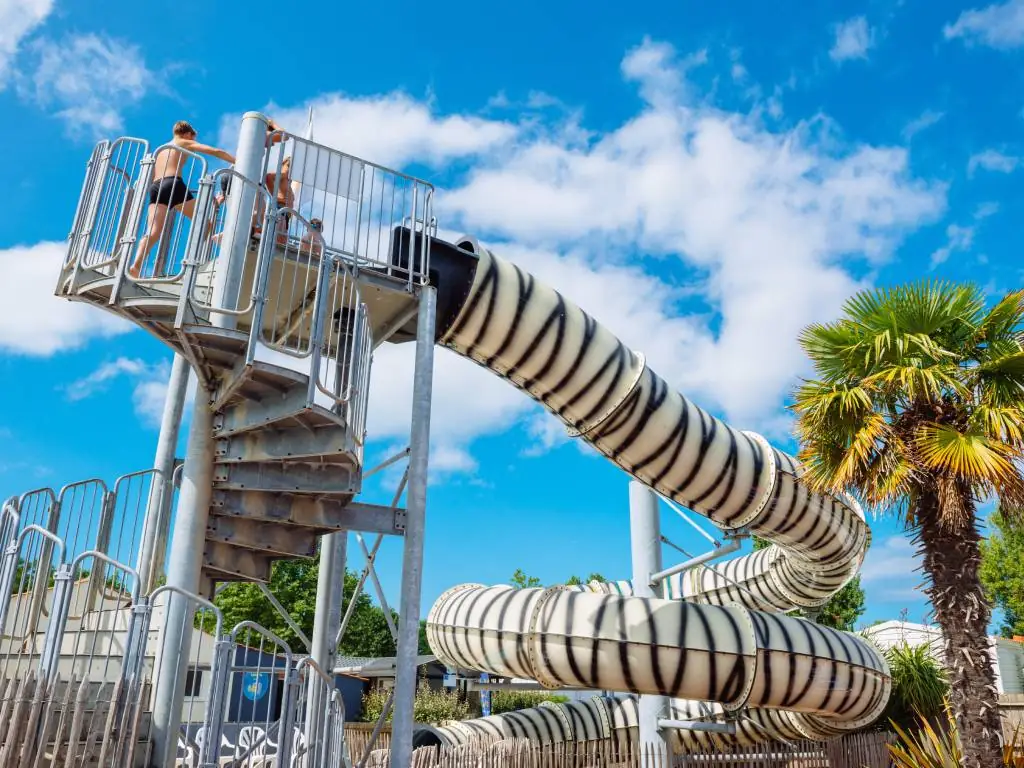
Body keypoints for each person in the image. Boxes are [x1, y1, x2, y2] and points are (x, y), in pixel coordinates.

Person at [129, 121, 235, 278]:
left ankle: (136, 265)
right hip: (173, 184)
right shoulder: (182, 141)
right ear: (187, 134)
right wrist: (237, 161)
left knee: (153, 232)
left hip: (156, 187)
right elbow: (214, 151)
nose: (193, 140)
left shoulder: (161, 150)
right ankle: (196, 260)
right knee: (205, 222)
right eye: (193, 136)